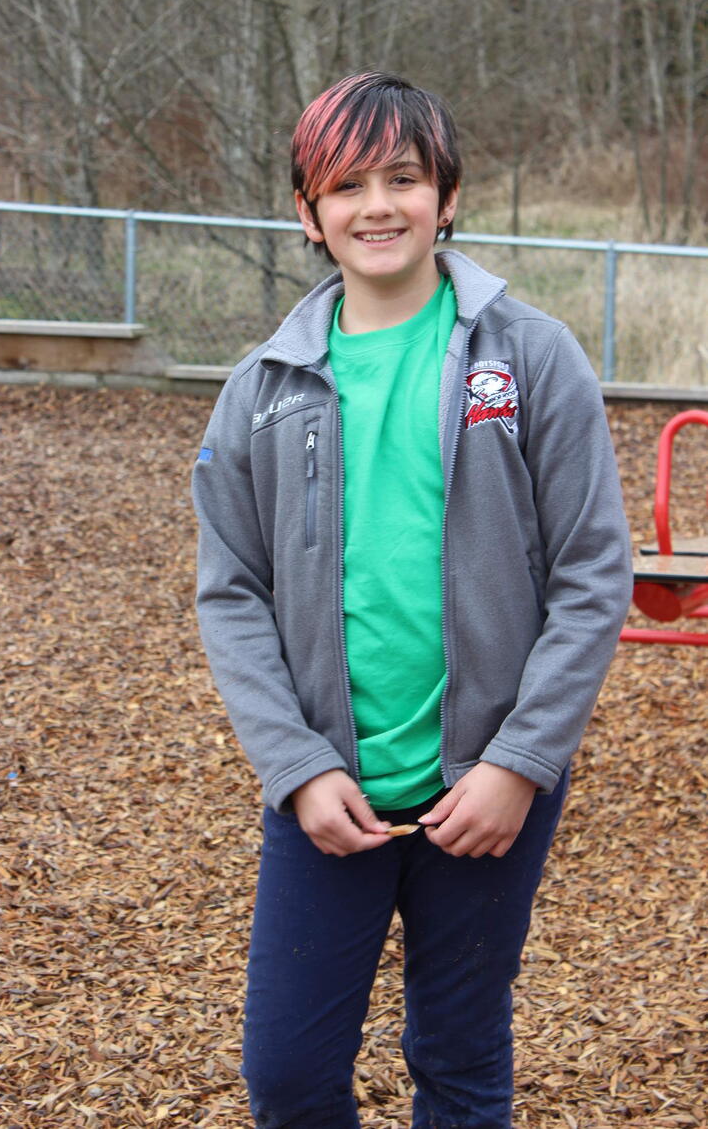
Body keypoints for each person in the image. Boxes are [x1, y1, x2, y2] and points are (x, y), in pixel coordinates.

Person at [192, 71, 632, 1129]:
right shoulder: (261, 389)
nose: (377, 205)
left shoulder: (530, 357)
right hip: (328, 794)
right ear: (308, 214)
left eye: (402, 177)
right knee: (288, 1075)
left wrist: (518, 763)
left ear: (448, 195)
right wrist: (296, 768)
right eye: (346, 186)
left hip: (486, 789)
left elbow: (591, 573)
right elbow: (231, 592)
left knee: (458, 1054)